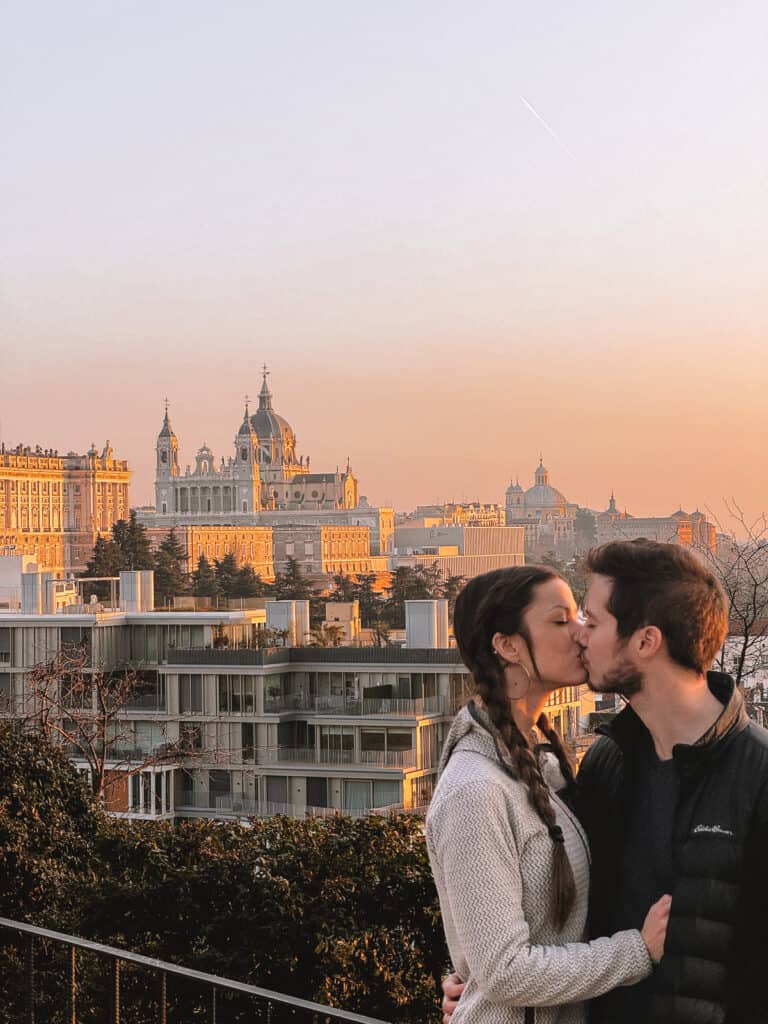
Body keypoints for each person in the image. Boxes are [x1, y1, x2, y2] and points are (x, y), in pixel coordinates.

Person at [443, 540, 768, 1024]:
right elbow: (546, 914)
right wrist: (481, 987)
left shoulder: (757, 776)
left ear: (644, 642)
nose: (580, 636)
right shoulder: (607, 764)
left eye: (590, 622)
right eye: (569, 621)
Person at [426, 565, 670, 1024]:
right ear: (509, 646)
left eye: (580, 617)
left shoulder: (545, 765)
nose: (581, 634)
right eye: (561, 621)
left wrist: (476, 979)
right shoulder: (476, 791)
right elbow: (505, 970)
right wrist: (636, 951)